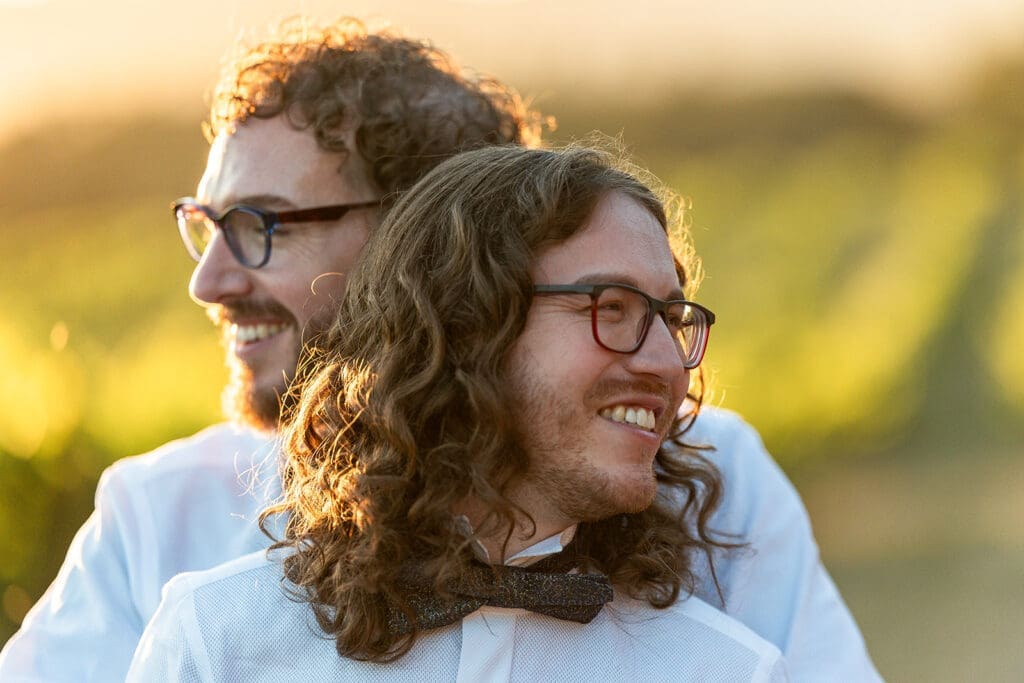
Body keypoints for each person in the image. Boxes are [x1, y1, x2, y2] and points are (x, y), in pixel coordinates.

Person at [0, 18, 879, 683]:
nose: (211, 281)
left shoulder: (708, 484)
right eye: (207, 227)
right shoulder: (163, 530)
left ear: (433, 248)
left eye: (262, 227)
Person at [130, 143, 790, 680]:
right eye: (610, 308)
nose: (668, 365)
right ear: (465, 327)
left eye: (672, 320)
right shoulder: (217, 642)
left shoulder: (731, 671)